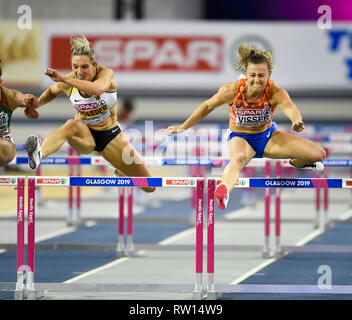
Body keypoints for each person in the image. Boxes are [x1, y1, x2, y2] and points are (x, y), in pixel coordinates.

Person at [166, 44, 326, 210]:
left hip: (268, 137)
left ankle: (297, 162)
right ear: (245, 74)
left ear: (269, 75)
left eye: (261, 75)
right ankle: (224, 190)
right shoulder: (231, 90)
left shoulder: (275, 91)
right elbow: (207, 106)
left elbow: (290, 108)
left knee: (318, 154)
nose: (257, 79)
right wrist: (183, 127)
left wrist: (296, 121)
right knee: (237, 160)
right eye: (253, 75)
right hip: (241, 139)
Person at [24, 35, 155, 193]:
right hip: (84, 134)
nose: (79, 72)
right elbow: (52, 91)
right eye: (75, 67)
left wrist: (64, 80)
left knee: (149, 185)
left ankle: (119, 168)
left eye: (85, 67)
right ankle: (39, 153)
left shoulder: (106, 74)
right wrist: (36, 104)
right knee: (70, 125)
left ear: (95, 65)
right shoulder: (67, 81)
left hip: (109, 135)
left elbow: (97, 89)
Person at [0, 57, 38, 167]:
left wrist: (28, 99)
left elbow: (21, 98)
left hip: (3, 142)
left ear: (0, 83)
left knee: (5, 149)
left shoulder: (8, 96)